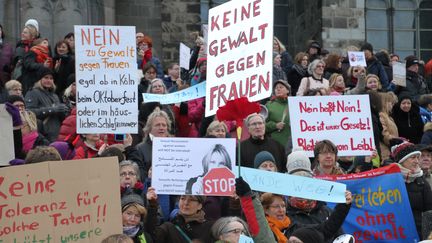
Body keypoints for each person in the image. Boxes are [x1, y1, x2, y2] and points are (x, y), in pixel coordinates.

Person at [261, 190, 352, 243]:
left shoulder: (294, 226)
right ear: (265, 209)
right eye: (276, 206)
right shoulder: (260, 230)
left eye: (283, 206)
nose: (281, 210)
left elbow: (326, 229)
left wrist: (343, 205)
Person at [391, 141, 432, 239]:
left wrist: (427, 236)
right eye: (413, 157)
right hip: (396, 233)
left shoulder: (422, 182)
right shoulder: (390, 180)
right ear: (402, 160)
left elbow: (429, 211)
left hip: (418, 234)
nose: (417, 161)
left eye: (418, 157)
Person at [24, 67, 69, 142]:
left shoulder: (54, 95)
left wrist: (64, 111)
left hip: (56, 134)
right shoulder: (33, 92)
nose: (49, 80)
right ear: (39, 79)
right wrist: (52, 110)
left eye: (51, 78)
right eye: (46, 78)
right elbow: (29, 112)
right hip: (43, 135)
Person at [147, 194, 214, 242]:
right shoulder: (169, 227)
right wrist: (152, 205)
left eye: (191, 199)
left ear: (200, 205)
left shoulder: (210, 227)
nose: (186, 203)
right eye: (182, 198)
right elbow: (151, 237)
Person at [136, 108, 172, 180]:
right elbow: (139, 175)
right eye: (157, 125)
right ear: (149, 128)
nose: (161, 128)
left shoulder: (175, 147)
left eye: (164, 125)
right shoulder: (140, 149)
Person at [265, 80, 291, 149]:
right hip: (275, 145)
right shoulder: (269, 105)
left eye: (281, 87)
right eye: (276, 88)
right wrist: (275, 125)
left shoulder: (294, 104)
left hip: (292, 145)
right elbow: (262, 125)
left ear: (288, 90)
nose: (278, 89)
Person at [379, 92, 399, 160]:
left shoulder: (389, 117)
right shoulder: (381, 116)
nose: (392, 106)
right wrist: (398, 141)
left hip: (391, 150)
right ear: (385, 103)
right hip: (385, 152)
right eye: (391, 103)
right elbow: (384, 134)